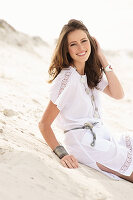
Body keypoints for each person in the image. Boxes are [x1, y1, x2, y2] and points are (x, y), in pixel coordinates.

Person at [38, 19, 133, 182]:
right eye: (73, 44)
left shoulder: (89, 72)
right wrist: (62, 153)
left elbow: (118, 94)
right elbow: (44, 124)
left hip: (102, 134)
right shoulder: (66, 79)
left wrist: (101, 56)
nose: (81, 48)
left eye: (84, 41)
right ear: (66, 49)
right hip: (86, 142)